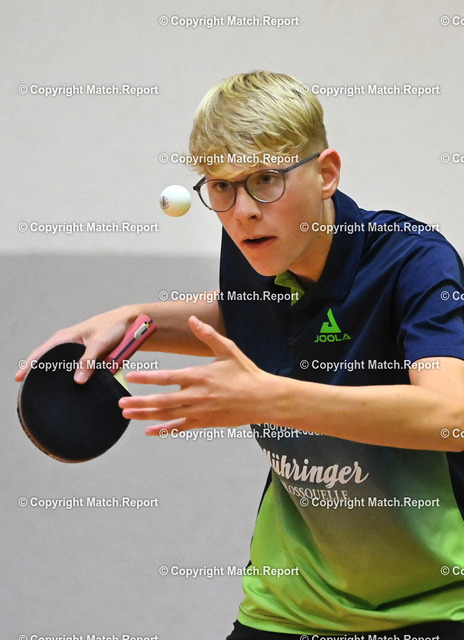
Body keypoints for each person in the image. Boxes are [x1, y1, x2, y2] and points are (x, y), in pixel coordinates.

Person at [16, 71, 464, 639]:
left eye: (265, 180)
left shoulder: (415, 262)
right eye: (221, 187)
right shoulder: (255, 252)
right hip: (287, 606)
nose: (242, 210)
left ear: (326, 173)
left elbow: (451, 414)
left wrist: (270, 399)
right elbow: (258, 315)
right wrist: (138, 320)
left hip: (433, 605)